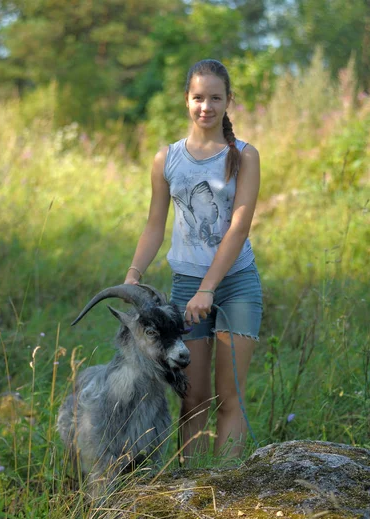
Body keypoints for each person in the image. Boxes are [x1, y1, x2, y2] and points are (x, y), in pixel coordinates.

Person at [124, 59, 262, 463]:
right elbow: (154, 226)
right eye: (198, 97)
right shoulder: (166, 159)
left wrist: (209, 288)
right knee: (194, 397)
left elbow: (238, 229)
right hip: (185, 286)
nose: (206, 106)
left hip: (236, 284)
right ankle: (192, 496)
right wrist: (134, 273)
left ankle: (227, 488)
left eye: (215, 97)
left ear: (228, 100)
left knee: (228, 397)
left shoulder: (245, 155)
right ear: (187, 100)